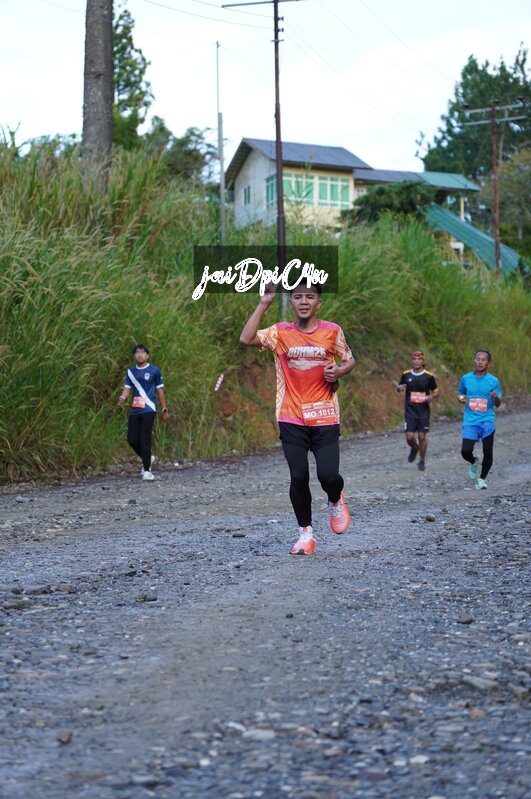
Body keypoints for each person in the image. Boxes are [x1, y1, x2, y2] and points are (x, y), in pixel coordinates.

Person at [240, 283, 355, 555]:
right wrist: (264, 304)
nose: (304, 301)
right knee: (298, 475)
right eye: (298, 297)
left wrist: (339, 371)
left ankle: (335, 498)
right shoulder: (280, 332)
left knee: (328, 475)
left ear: (318, 303)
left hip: (325, 415)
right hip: (291, 416)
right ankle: (306, 534)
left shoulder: (332, 331)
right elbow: (246, 338)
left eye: (310, 297)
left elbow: (349, 360)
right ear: (291, 303)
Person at [118, 344, 169, 480]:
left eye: (142, 352)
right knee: (132, 439)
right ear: (134, 355)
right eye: (137, 352)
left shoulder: (154, 371)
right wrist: (123, 397)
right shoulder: (131, 371)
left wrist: (164, 409)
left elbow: (160, 391)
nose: (139, 355)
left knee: (145, 438)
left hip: (149, 409)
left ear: (147, 355)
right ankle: (148, 457)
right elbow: (127, 388)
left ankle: (147, 471)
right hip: (135, 409)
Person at [457, 349, 502, 489]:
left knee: (487, 451)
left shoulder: (494, 381)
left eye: (484, 360)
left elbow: (498, 404)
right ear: (474, 361)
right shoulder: (466, 378)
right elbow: (460, 394)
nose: (480, 362)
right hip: (470, 421)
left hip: (487, 420)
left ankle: (482, 479)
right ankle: (473, 461)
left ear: (489, 363)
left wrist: (496, 397)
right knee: (465, 451)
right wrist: (461, 398)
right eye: (478, 359)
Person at [396, 351, 439, 471]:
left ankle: (422, 460)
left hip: (423, 411)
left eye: (419, 359)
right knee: (409, 437)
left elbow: (436, 391)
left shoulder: (428, 376)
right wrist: (399, 388)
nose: (416, 361)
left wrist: (431, 397)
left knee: (422, 436)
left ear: (423, 361)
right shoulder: (406, 374)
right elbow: (399, 387)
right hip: (410, 410)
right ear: (411, 361)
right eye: (414, 359)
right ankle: (414, 448)